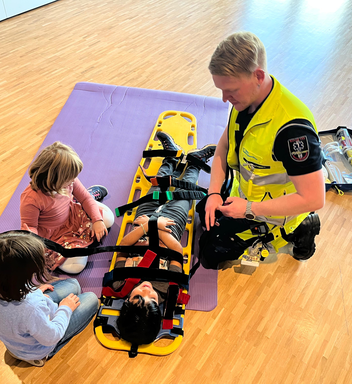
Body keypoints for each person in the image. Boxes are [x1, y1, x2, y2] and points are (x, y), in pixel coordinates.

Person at [201, 31, 325, 268]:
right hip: (246, 197)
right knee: (202, 216)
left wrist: (249, 209)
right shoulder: (247, 99)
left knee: (211, 255)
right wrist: (214, 193)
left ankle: (302, 226)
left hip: (274, 212)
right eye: (221, 90)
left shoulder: (292, 130)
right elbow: (224, 146)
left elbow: (314, 197)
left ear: (258, 76)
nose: (225, 99)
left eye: (231, 90)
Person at [113, 132, 215, 345]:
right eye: (151, 300)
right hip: (169, 229)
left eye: (137, 297)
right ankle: (195, 161)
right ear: (158, 308)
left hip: (141, 225)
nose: (146, 291)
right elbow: (177, 252)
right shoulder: (169, 289)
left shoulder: (121, 284)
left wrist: (145, 227)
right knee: (182, 193)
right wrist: (156, 227)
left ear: (126, 302)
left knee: (158, 188)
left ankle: (170, 157)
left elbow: (122, 247)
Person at [0, 231, 99, 367]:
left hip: (28, 318)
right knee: (91, 298)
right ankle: (39, 356)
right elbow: (52, 336)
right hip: (40, 347)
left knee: (73, 284)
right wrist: (65, 308)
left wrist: (34, 292)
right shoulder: (31, 307)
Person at [20, 141, 115, 274]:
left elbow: (85, 198)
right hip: (54, 235)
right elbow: (31, 228)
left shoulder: (71, 180)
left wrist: (97, 220)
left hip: (72, 215)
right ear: (55, 179)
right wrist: (38, 252)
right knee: (76, 267)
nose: (74, 180)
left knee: (108, 219)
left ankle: (87, 195)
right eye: (70, 178)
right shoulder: (31, 198)